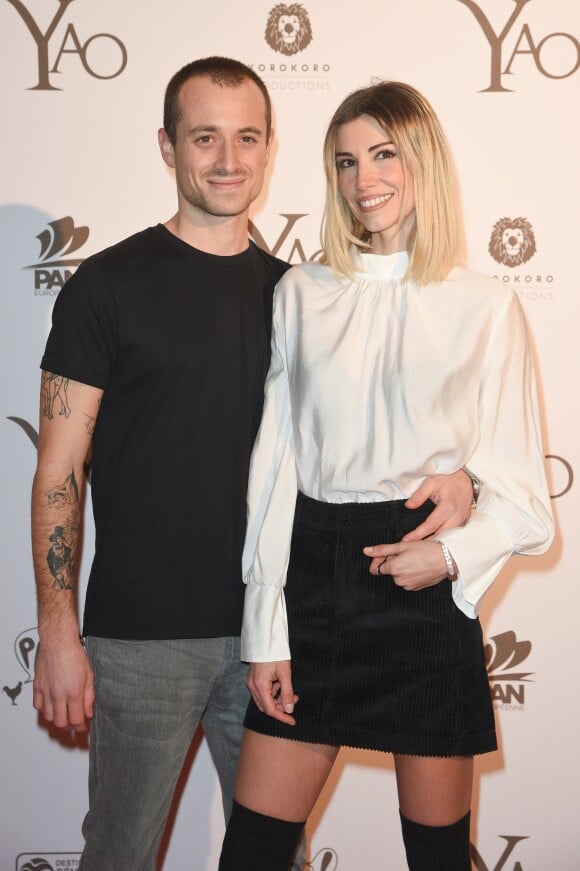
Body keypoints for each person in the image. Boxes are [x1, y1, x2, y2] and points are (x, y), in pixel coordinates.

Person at [30, 61, 472, 870]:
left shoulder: (303, 294)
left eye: (247, 138)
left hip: (282, 632)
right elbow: (58, 467)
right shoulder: (107, 286)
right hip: (141, 639)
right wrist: (57, 633)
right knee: (119, 853)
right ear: (168, 147)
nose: (228, 159)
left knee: (276, 858)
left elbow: (384, 434)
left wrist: (468, 481)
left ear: (270, 151)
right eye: (205, 138)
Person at [218, 81, 555, 871]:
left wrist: (448, 556)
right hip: (314, 586)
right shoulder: (300, 292)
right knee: (253, 856)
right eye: (345, 161)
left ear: (421, 162)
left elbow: (527, 504)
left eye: (382, 154)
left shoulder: (485, 304)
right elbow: (276, 471)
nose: (363, 178)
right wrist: (265, 631)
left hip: (423, 598)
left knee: (437, 859)